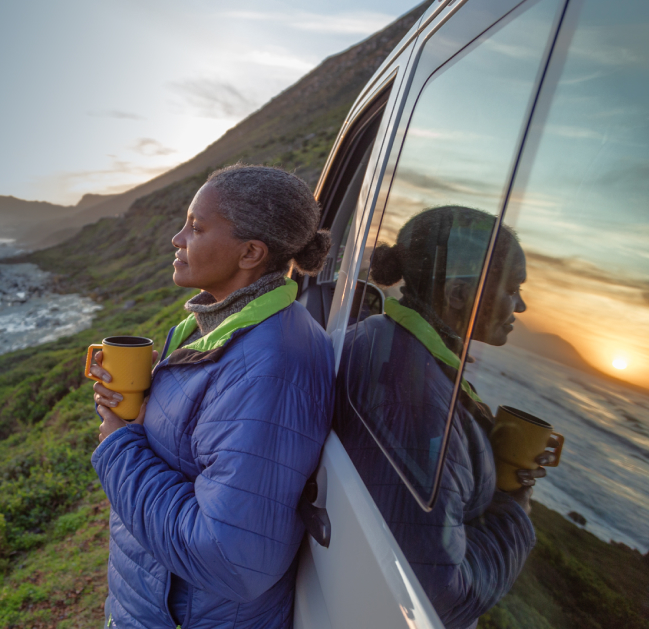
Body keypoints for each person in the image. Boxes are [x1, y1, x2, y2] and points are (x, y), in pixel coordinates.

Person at [88, 165, 334, 628]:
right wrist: (136, 414)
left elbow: (229, 558)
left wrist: (119, 447)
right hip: (153, 606)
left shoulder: (269, 367)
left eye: (196, 228)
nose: (177, 239)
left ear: (250, 253)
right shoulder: (212, 329)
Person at [335, 206, 553, 629]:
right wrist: (514, 512)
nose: (521, 305)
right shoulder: (416, 401)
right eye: (513, 288)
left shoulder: (384, 338)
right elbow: (436, 598)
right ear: (456, 295)